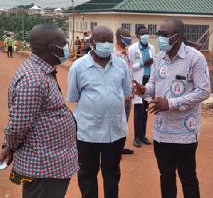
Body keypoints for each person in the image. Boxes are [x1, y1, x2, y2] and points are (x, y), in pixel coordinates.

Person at [132, 18, 211, 198]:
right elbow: (153, 84)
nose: (160, 37)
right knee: (166, 175)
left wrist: (171, 103)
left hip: (185, 132)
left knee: (187, 177)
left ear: (178, 36)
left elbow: (204, 91)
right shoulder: (159, 57)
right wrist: (144, 90)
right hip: (161, 130)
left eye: (164, 34)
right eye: (159, 34)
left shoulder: (195, 58)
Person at [0, 23, 78, 198]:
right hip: (43, 166)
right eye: (63, 44)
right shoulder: (33, 79)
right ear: (52, 48)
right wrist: (9, 146)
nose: (66, 47)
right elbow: (18, 125)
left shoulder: (42, 72)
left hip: (50, 163)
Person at [66, 25, 131, 198]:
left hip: (115, 131)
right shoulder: (78, 67)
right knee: (87, 174)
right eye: (101, 40)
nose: (106, 44)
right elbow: (74, 96)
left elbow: (125, 93)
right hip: (88, 132)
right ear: (92, 42)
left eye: (109, 40)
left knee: (112, 173)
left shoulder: (120, 64)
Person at [128, 25, 156, 147]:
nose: (146, 36)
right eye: (143, 33)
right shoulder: (133, 49)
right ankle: (137, 137)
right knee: (138, 110)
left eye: (147, 33)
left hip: (148, 80)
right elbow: (130, 66)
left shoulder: (152, 48)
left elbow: (154, 65)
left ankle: (143, 135)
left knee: (145, 110)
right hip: (139, 81)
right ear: (138, 36)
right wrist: (143, 63)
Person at [113, 27, 134, 155]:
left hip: (129, 94)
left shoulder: (126, 52)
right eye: (128, 36)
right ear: (121, 37)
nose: (130, 38)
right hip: (119, 95)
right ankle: (115, 149)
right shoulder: (114, 54)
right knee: (117, 122)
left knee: (124, 123)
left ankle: (121, 147)